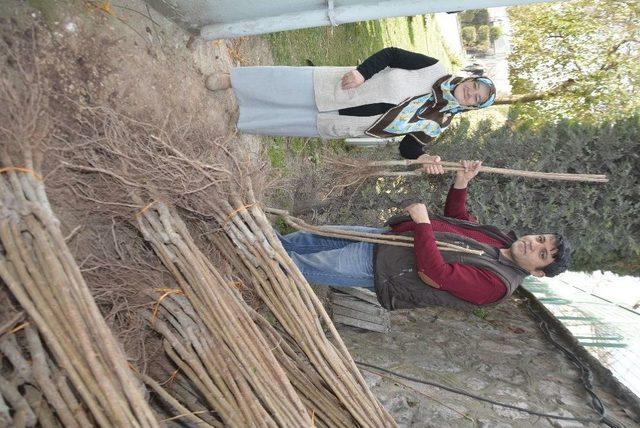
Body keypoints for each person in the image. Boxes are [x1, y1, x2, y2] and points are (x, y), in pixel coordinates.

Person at [276, 156, 571, 310]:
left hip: (386, 267)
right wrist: (461, 183)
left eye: (542, 254)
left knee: (303, 267)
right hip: (389, 239)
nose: (534, 244)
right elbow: (459, 223)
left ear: (539, 272)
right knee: (312, 239)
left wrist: (423, 224)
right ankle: (262, 243)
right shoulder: (502, 241)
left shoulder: (496, 285)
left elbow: (435, 274)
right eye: (541, 239)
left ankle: (253, 258)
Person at [205, 47, 496, 159]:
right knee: (285, 85)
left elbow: (408, 146)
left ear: (473, 108)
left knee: (291, 121)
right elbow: (392, 55)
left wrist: (423, 158)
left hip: (348, 123)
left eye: (477, 99)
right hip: (348, 87)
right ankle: (234, 81)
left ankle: (240, 119)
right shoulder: (434, 68)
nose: (471, 94)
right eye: (474, 87)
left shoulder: (438, 124)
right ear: (469, 81)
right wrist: (362, 72)